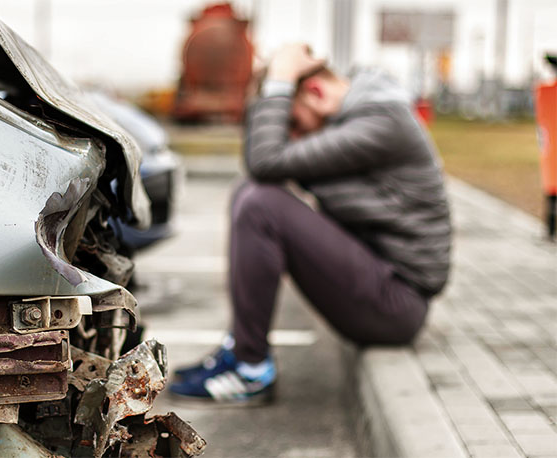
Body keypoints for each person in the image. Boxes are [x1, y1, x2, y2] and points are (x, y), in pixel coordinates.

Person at [168, 44, 452, 404]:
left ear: (315, 92)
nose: (294, 140)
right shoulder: (365, 115)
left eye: (295, 125)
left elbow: (266, 159)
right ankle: (240, 348)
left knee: (261, 203)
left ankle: (250, 369)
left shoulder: (380, 122)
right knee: (253, 192)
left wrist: (280, 79)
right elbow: (265, 165)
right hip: (380, 282)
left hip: (397, 302)